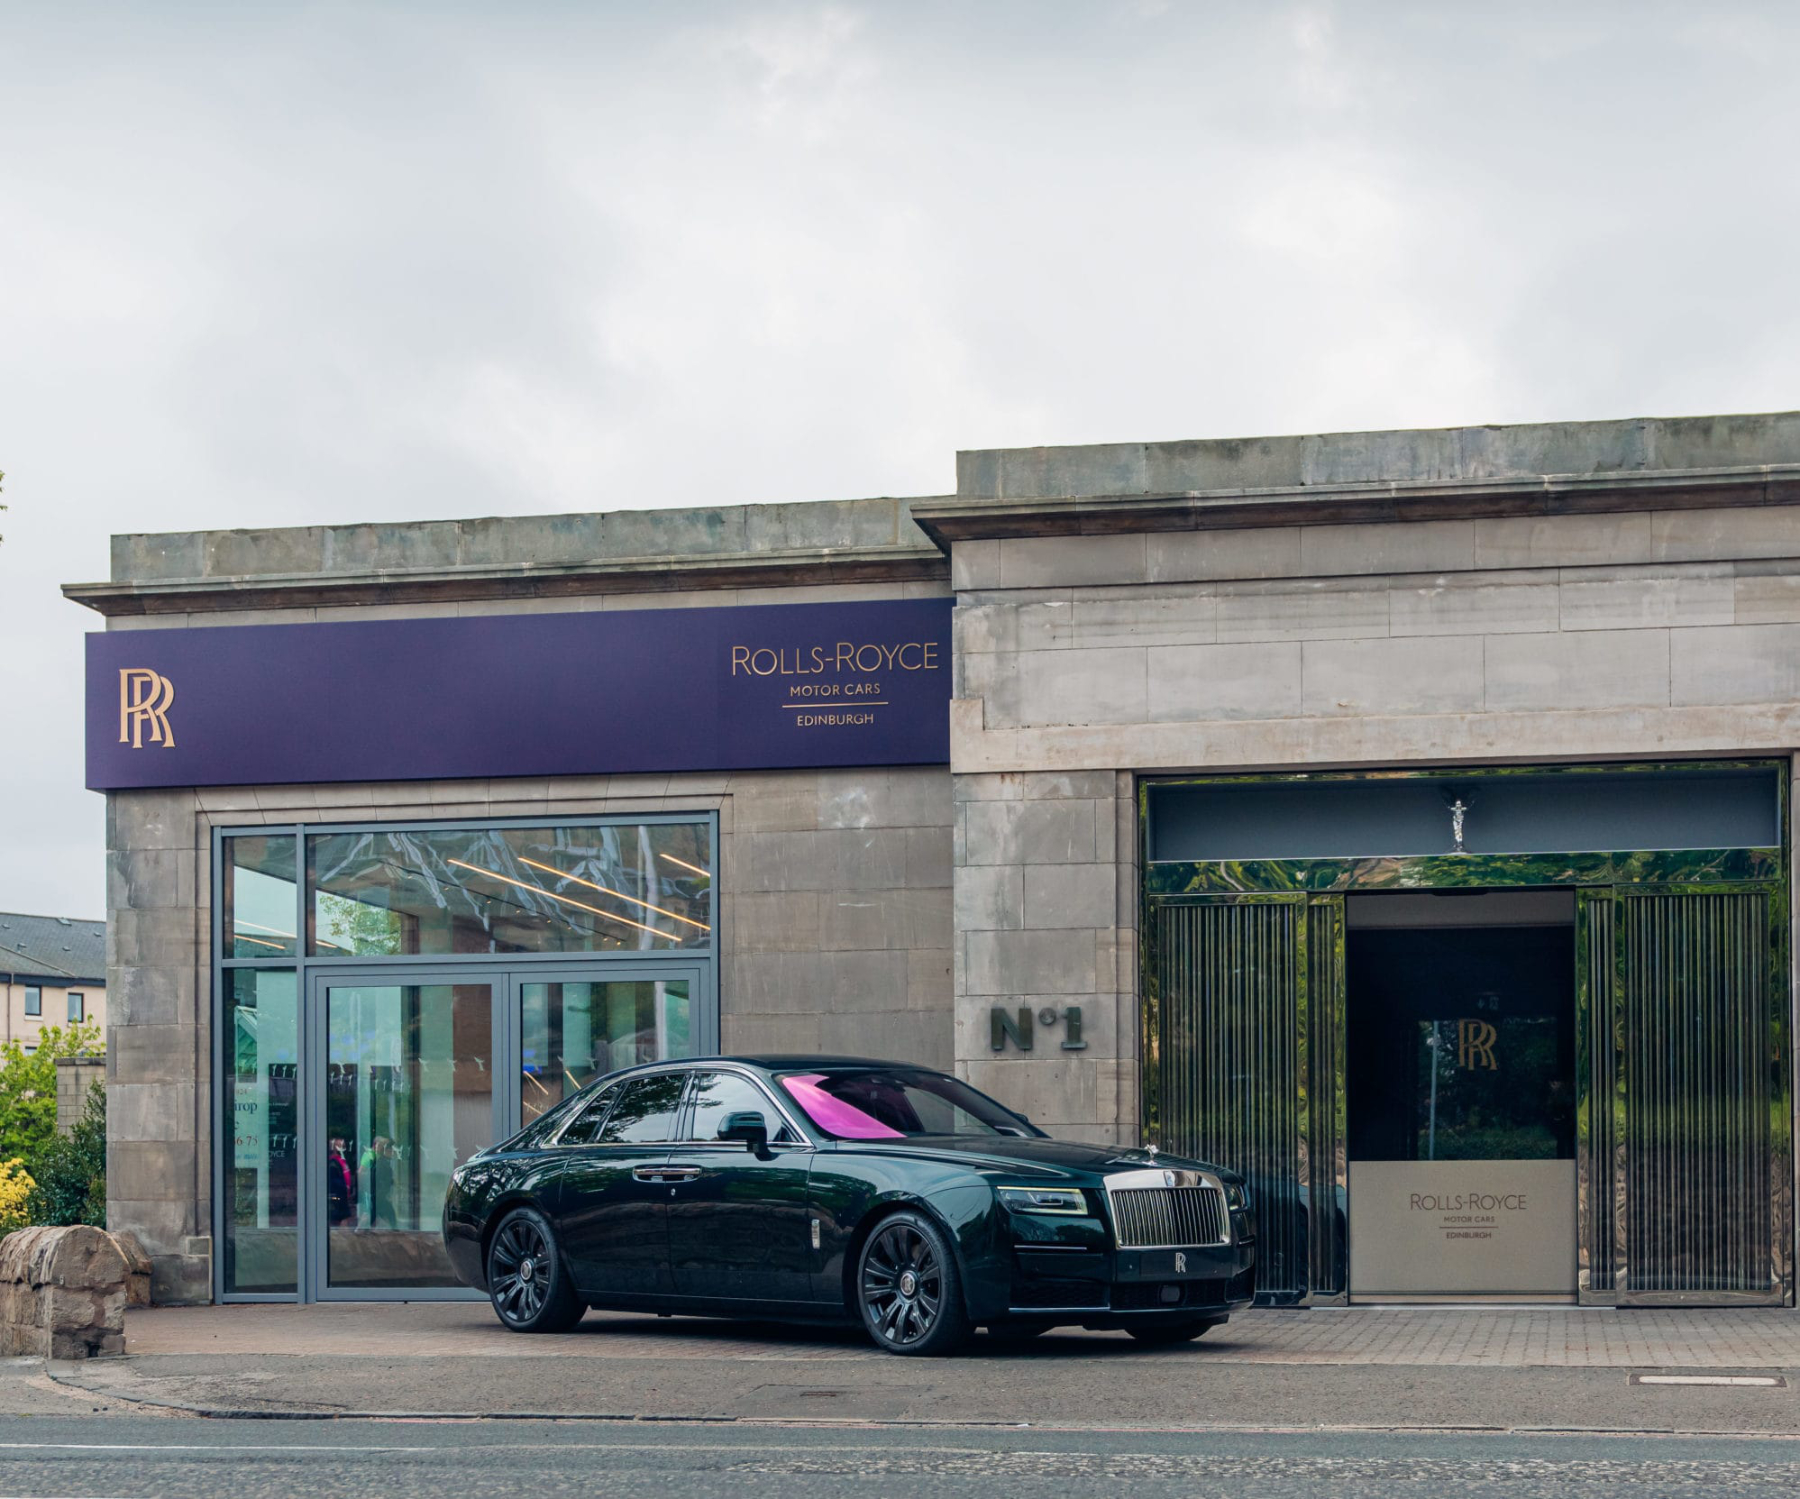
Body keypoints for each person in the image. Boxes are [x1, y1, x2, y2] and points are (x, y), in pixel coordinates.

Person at [325, 1137, 354, 1226]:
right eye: (341, 1146)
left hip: (342, 1195)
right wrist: (343, 1189)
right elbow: (333, 1180)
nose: (343, 1149)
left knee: (341, 1218)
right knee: (343, 1217)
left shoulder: (341, 1160)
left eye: (343, 1146)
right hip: (338, 1196)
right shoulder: (333, 1162)